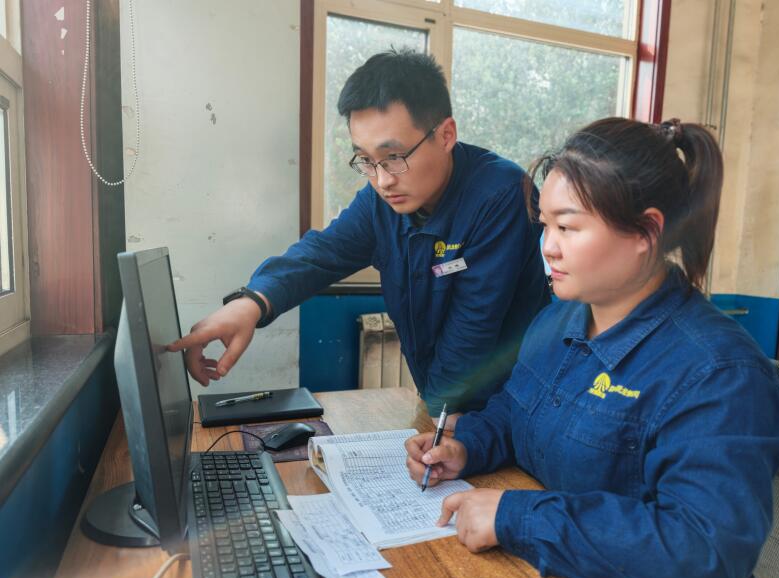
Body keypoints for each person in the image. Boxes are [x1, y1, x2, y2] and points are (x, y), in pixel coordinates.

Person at [404, 117, 779, 578]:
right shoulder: (557, 320)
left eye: (568, 227)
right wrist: (467, 447)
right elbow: (516, 410)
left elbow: (707, 551)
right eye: (545, 225)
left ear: (646, 231)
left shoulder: (719, 374)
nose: (548, 246)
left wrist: (518, 517)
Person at [168, 50, 550, 426]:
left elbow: (473, 327)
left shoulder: (501, 195)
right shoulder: (382, 202)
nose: (382, 180)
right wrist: (251, 303)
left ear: (446, 134)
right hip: (446, 408)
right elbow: (321, 253)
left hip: (515, 410)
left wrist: (439, 416)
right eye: (365, 160)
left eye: (394, 156)